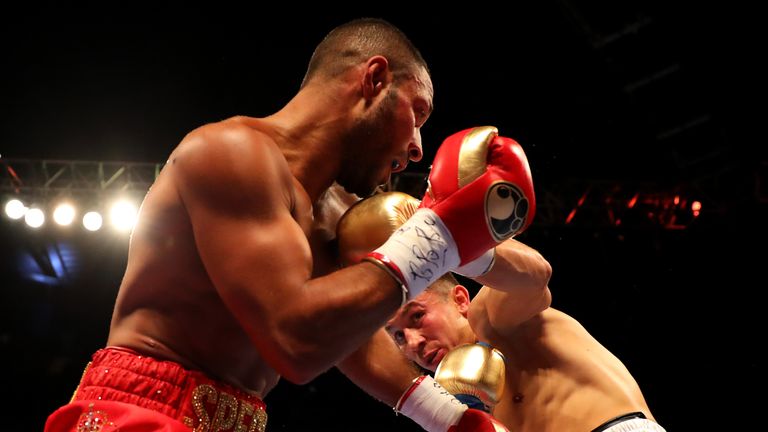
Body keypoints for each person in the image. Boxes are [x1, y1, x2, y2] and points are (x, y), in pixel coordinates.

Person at [45, 18, 534, 432]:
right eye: (418, 113)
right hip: (140, 408)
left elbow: (345, 335)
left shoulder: (339, 209)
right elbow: (294, 341)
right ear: (374, 79)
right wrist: (440, 235)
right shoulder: (231, 155)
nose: (417, 147)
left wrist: (449, 419)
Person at [337, 191, 666, 432]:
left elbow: (536, 276)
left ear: (461, 299)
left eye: (417, 316)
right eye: (397, 336)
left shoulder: (491, 317)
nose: (412, 343)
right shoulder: (462, 401)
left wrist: (449, 243)